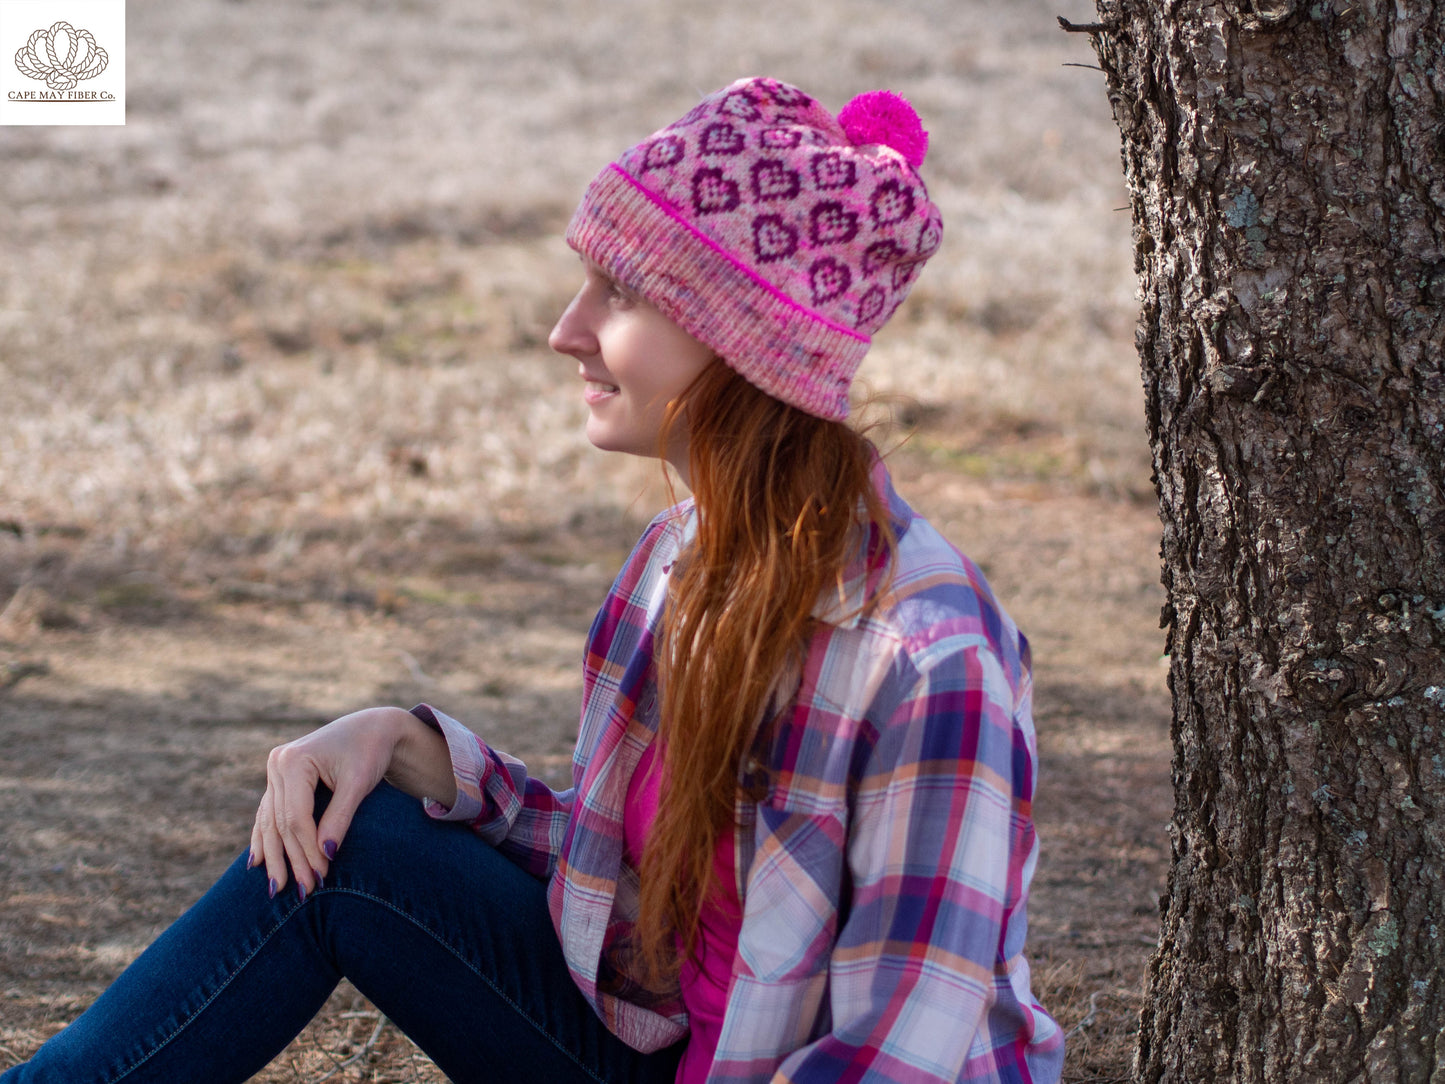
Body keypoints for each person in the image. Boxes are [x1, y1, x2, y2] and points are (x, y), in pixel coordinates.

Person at [3, 77, 1063, 1084]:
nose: (566, 330)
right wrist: (410, 747)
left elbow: (891, 1057)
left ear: (746, 344)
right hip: (678, 1052)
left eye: (621, 292)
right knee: (355, 840)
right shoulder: (676, 565)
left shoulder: (929, 663)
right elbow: (642, 895)